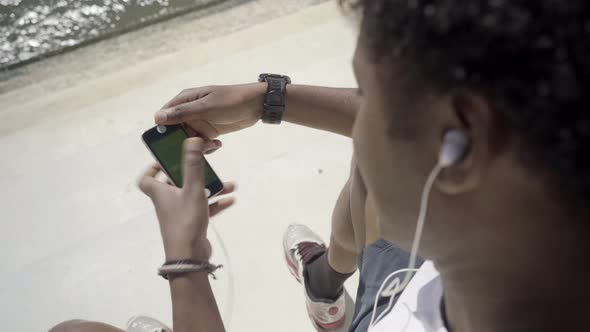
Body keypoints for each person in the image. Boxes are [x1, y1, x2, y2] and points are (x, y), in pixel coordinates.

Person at [50, 0, 590, 331]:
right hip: (442, 282)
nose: (361, 120)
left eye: (373, 100)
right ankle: (323, 281)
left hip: (392, 307)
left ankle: (329, 289)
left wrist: (186, 263)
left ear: (463, 145)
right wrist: (269, 99)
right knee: (371, 174)